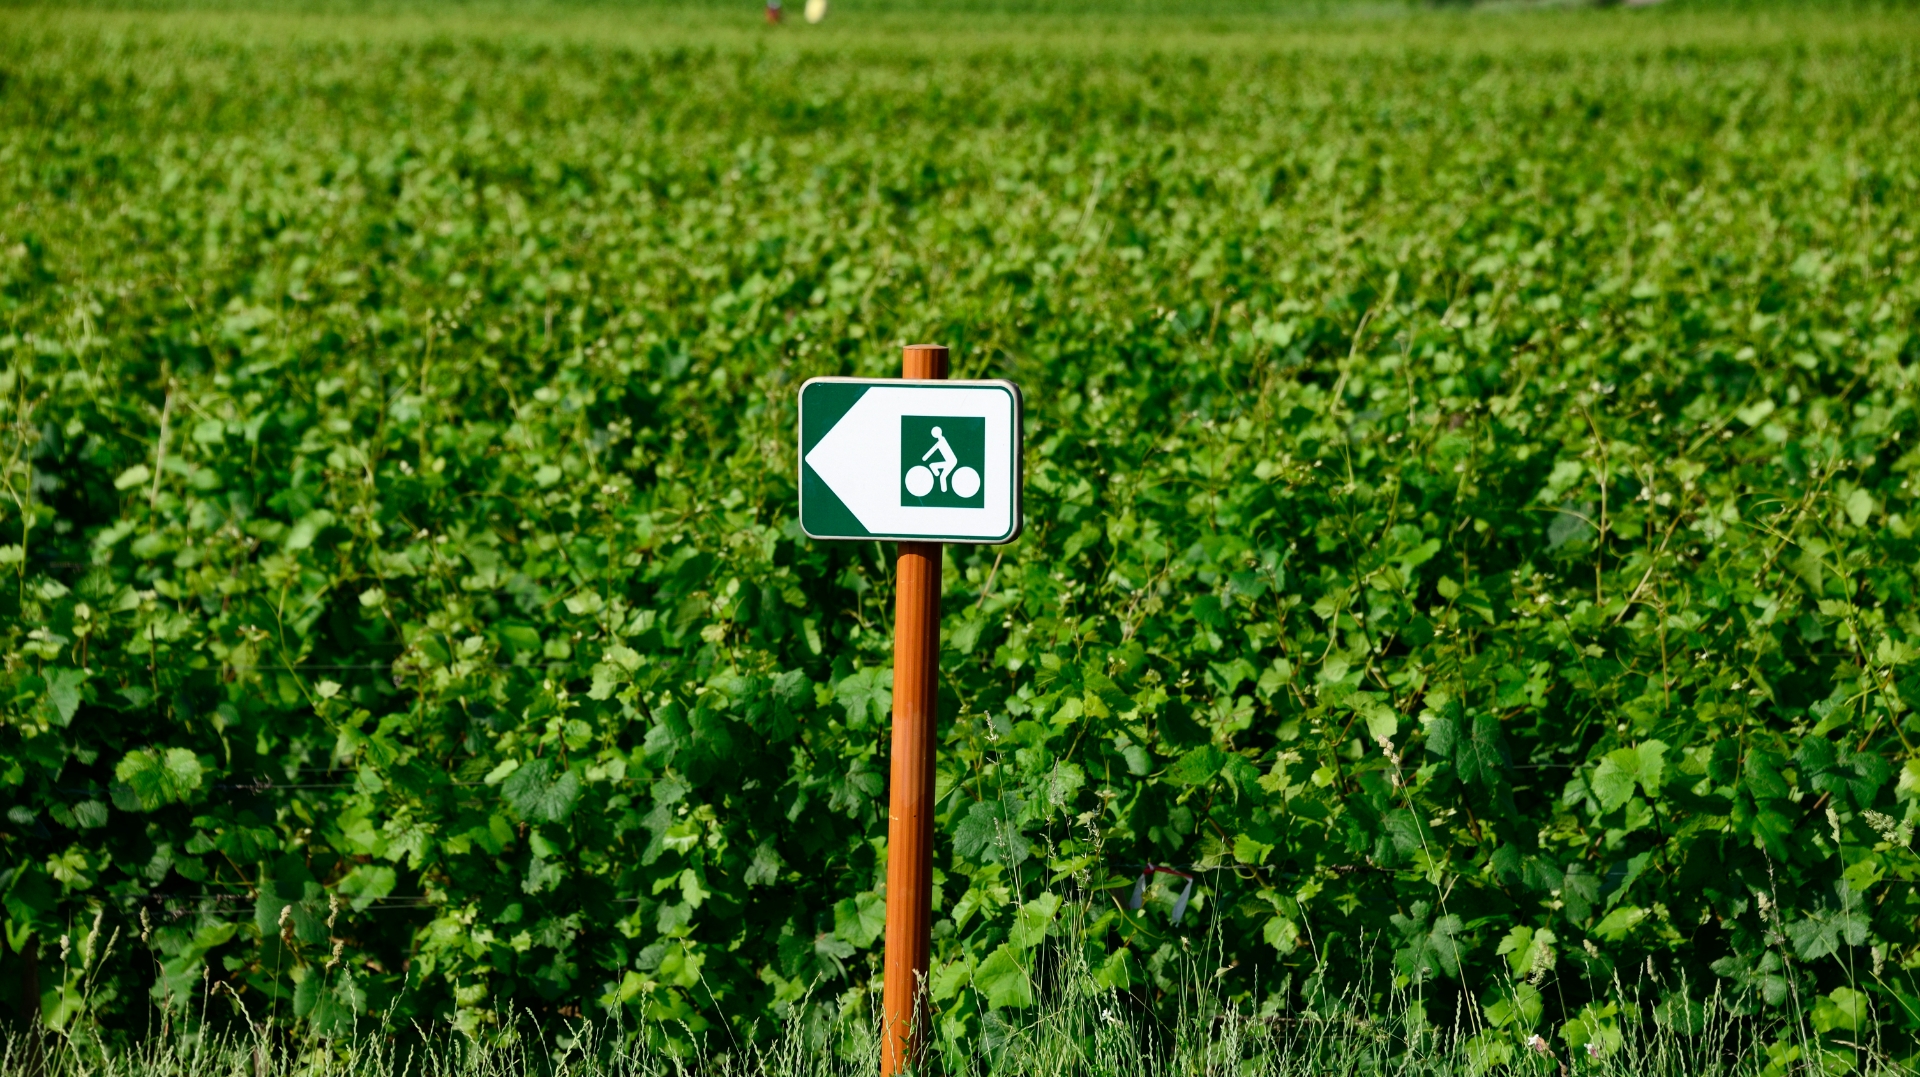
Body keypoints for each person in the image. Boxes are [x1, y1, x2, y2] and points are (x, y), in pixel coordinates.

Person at [922, 427, 958, 492]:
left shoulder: (941, 441)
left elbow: (932, 450)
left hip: (951, 462)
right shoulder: (941, 441)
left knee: (932, 466)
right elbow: (932, 450)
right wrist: (924, 458)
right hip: (951, 462)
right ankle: (944, 491)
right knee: (942, 477)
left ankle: (937, 474)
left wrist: (924, 458)